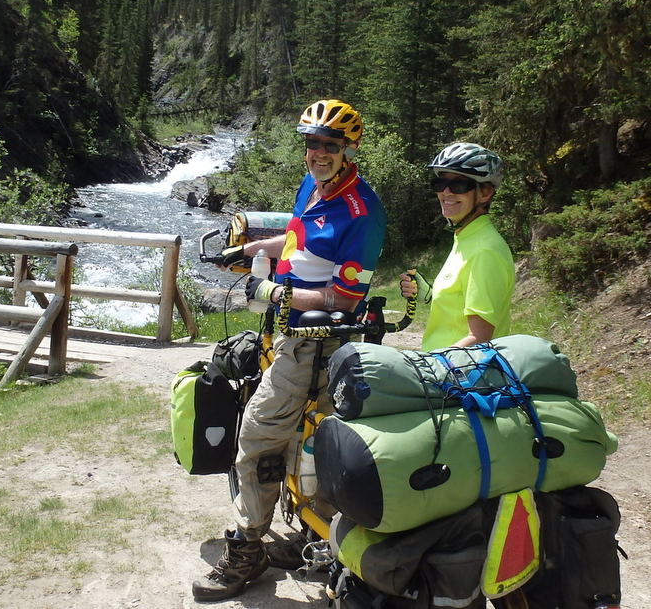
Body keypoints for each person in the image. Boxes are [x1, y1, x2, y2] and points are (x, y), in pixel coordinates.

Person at [192, 99, 387, 602]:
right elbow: (298, 240)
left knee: (258, 437)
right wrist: (252, 251)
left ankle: (247, 548)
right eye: (311, 144)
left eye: (329, 145)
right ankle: (311, 536)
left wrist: (272, 293)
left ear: (348, 149)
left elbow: (343, 298)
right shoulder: (314, 187)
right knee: (310, 441)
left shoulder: (362, 213)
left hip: (316, 344)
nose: (318, 153)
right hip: (285, 335)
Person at [401, 142, 514, 351]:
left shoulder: (485, 250)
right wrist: (428, 294)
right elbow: (459, 310)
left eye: (459, 185)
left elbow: (478, 339)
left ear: (485, 193)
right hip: (449, 371)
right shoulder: (466, 239)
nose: (446, 192)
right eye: (440, 183)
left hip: (460, 377)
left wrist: (427, 369)